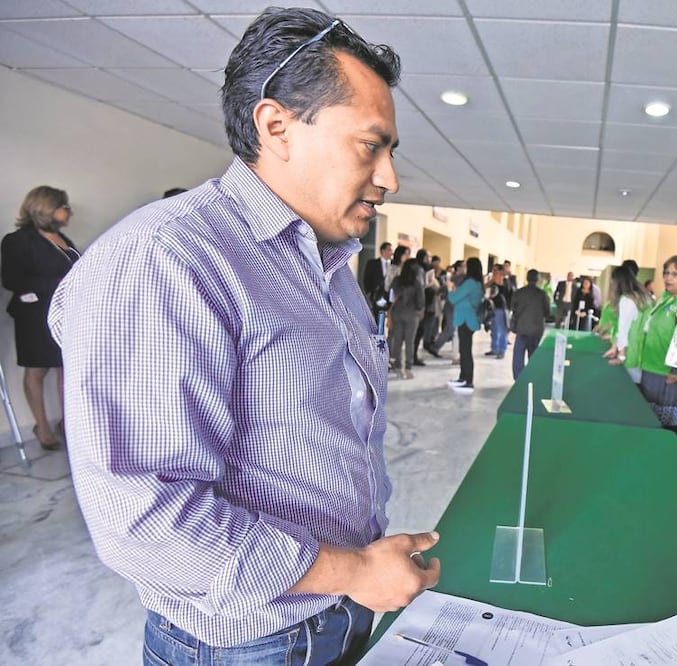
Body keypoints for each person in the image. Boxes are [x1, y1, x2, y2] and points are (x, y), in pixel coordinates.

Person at [47, 8, 440, 663]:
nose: (389, 178)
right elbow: (143, 520)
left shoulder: (328, 262)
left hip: (335, 609)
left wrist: (356, 574)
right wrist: (352, 572)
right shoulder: (166, 258)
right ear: (277, 125)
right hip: (249, 642)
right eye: (370, 144)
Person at [1, 186, 79, 451]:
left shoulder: (62, 239)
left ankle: (70, 424)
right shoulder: (18, 240)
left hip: (65, 312)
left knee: (65, 368)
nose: (69, 211)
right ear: (46, 208)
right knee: (37, 370)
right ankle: (42, 428)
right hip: (34, 315)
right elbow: (12, 280)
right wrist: (59, 283)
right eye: (64, 206)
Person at [625, 256, 677, 428]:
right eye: (666, 273)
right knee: (648, 418)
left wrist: (675, 370)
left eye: (675, 274)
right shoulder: (664, 299)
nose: (668, 278)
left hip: (667, 373)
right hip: (651, 365)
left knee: (663, 423)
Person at [602, 265, 651, 381]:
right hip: (643, 352)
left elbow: (623, 329)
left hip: (631, 353)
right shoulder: (643, 297)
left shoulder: (626, 300)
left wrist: (621, 357)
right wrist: (615, 347)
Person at [447, 257, 484, 395]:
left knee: (466, 351)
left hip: (465, 320)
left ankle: (468, 381)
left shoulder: (469, 283)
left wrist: (451, 288)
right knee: (464, 350)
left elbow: (453, 298)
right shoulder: (477, 283)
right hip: (468, 319)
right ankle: (463, 378)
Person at [509, 269, 550, 379]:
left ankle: (518, 377)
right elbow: (547, 312)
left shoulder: (519, 292)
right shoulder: (542, 294)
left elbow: (512, 307)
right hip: (536, 329)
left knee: (518, 354)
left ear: (527, 278)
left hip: (521, 327)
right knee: (533, 355)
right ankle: (531, 377)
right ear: (537, 279)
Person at [387, 258, 424, 379]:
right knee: (410, 342)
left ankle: (398, 367)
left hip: (397, 312)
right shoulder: (416, 283)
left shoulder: (397, 280)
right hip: (411, 314)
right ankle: (408, 368)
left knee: (397, 340)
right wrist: (420, 310)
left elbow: (391, 295)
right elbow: (420, 301)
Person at [485, 264, 510, 359]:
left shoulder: (503, 280)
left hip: (501, 307)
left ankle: (501, 350)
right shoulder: (494, 279)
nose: (494, 272)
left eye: (496, 270)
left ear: (500, 271)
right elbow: (485, 286)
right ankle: (494, 348)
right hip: (493, 307)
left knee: (502, 330)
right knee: (494, 329)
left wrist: (495, 277)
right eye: (493, 269)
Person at [362, 240, 393, 312]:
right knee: (377, 315)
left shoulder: (393, 264)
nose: (391, 252)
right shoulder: (372, 263)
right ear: (383, 251)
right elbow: (366, 279)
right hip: (376, 295)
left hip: (390, 296)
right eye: (389, 250)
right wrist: (369, 292)